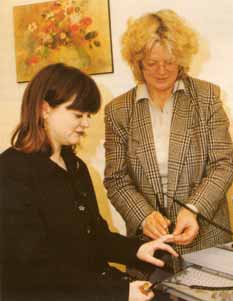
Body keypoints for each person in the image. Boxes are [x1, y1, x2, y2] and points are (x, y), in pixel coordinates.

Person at [0, 63, 178, 301]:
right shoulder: (11, 170)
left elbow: (96, 236)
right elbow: (33, 269)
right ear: (45, 109)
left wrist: (137, 249)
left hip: (90, 287)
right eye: (78, 115)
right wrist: (117, 293)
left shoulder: (75, 166)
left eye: (88, 115)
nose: (86, 124)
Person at [104, 9, 233, 274]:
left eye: (170, 61)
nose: (162, 71)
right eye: (152, 63)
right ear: (137, 63)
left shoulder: (207, 96)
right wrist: (143, 217)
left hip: (207, 238)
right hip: (149, 247)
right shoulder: (118, 111)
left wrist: (193, 208)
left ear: (182, 59)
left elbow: (223, 164)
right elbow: (116, 179)